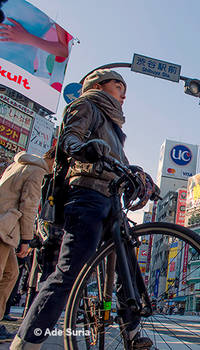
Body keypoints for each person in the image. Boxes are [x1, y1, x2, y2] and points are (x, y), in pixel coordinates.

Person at [11, 69, 154, 350]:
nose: (124, 93)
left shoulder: (114, 127)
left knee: (129, 266)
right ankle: (26, 342)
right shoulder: (85, 104)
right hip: (87, 194)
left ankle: (133, 331)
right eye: (118, 85)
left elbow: (120, 163)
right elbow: (70, 140)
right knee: (69, 271)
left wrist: (138, 176)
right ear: (98, 86)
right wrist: (86, 147)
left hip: (110, 200)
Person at [0, 148, 54, 340]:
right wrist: (26, 239)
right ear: (53, 160)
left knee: (11, 274)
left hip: (5, 226)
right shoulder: (37, 171)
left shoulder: (18, 164)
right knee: (5, 275)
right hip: (4, 227)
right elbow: (29, 205)